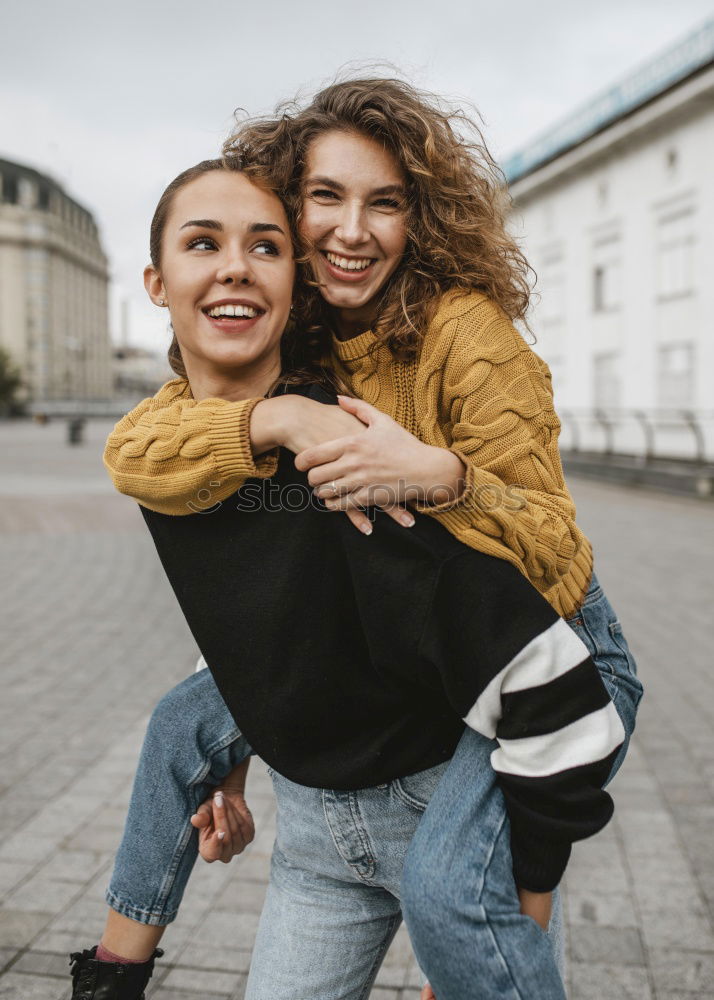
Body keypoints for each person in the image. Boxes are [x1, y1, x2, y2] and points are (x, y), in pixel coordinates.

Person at [96, 78, 642, 997]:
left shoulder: (464, 334)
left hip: (549, 643)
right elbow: (148, 450)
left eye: (384, 202)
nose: (353, 230)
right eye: (325, 198)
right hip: (416, 636)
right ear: (289, 207)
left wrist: (445, 477)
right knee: (183, 720)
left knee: (448, 894)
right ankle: (111, 970)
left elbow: (554, 548)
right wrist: (273, 427)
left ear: (418, 219)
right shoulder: (293, 334)